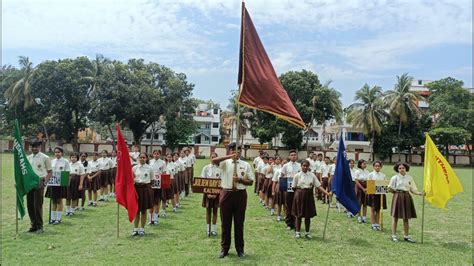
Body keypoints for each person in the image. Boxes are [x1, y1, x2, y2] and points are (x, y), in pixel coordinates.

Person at [212, 143, 254, 258]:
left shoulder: (245, 164)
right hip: (226, 194)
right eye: (233, 150)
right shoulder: (225, 163)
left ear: (240, 152)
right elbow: (214, 160)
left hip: (240, 195)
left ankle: (240, 249)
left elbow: (251, 181)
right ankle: (224, 248)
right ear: (229, 151)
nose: (236, 152)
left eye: (238, 150)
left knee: (239, 223)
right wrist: (229, 157)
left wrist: (240, 179)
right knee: (225, 223)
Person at [292, 160, 331, 239]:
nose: (305, 167)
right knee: (298, 215)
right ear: (301, 166)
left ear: (309, 166)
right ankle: (298, 232)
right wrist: (298, 195)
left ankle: (307, 232)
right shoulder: (297, 175)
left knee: (308, 215)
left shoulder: (312, 175)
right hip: (299, 195)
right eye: (304, 166)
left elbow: (318, 186)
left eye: (307, 166)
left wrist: (327, 193)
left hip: (309, 195)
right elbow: (293, 187)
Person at [388, 162, 423, 243]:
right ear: (397, 169)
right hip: (397, 197)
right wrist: (395, 192)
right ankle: (393, 235)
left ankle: (406, 236)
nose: (401, 169)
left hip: (407, 197)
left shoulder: (409, 178)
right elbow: (389, 188)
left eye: (403, 168)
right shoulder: (394, 178)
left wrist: (420, 193)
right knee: (395, 217)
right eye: (399, 168)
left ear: (406, 168)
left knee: (406, 217)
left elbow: (412, 189)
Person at [26, 139, 52, 234]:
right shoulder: (28, 158)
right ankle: (33, 225)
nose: (34, 148)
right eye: (32, 147)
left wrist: (45, 182)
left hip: (39, 181)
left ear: (39, 147)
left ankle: (40, 226)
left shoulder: (45, 157)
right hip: (30, 183)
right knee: (30, 204)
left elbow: (50, 172)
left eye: (36, 147)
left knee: (37, 205)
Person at [45, 146, 70, 225]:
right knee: (53, 201)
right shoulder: (52, 161)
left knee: (59, 201)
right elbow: (48, 172)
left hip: (60, 184)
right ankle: (52, 218)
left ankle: (58, 219)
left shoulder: (65, 161)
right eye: (55, 152)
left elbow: (67, 173)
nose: (57, 154)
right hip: (52, 184)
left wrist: (65, 183)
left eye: (58, 152)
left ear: (62, 153)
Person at [131, 152, 154, 236]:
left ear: (146, 159)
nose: (142, 159)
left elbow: (152, 180)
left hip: (145, 189)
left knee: (143, 210)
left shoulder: (150, 168)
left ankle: (142, 229)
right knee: (136, 210)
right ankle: (135, 229)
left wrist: (146, 187)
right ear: (138, 158)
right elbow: (131, 179)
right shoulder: (134, 168)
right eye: (141, 157)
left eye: (144, 157)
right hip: (136, 189)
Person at [201, 152, 221, 236]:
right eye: (212, 157)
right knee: (208, 210)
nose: (213, 159)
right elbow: (202, 181)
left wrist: (216, 193)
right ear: (209, 158)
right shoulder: (206, 168)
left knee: (215, 211)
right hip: (207, 191)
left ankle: (214, 229)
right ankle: (208, 228)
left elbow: (221, 181)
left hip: (217, 192)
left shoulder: (220, 169)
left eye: (215, 157)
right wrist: (207, 192)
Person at [280, 150, 301, 231]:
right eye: (292, 155)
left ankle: (296, 223)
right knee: (289, 205)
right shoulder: (285, 165)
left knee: (297, 205)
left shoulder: (299, 165)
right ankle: (289, 224)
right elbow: (282, 175)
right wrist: (283, 188)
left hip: (297, 185)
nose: (293, 156)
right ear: (289, 156)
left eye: (295, 155)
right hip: (289, 183)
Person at [368, 161, 387, 231]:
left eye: (378, 166)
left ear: (381, 167)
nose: (377, 167)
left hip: (380, 195)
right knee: (373, 209)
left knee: (378, 210)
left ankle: (377, 224)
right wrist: (376, 187)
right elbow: (370, 185)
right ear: (373, 167)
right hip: (373, 194)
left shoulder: (383, 175)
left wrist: (381, 189)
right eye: (376, 166)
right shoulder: (370, 175)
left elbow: (384, 185)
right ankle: (373, 224)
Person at [149, 150, 166, 225]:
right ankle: (150, 218)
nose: (156, 155)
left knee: (157, 200)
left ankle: (155, 218)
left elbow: (164, 173)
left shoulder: (162, 162)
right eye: (155, 153)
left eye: (158, 154)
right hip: (151, 182)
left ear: (160, 155)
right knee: (151, 201)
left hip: (159, 183)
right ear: (153, 154)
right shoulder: (150, 162)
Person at [161, 153, 176, 217]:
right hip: (163, 183)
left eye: (170, 157)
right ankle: (163, 210)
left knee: (171, 195)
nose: (169, 158)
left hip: (169, 182)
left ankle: (174, 207)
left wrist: (170, 182)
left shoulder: (172, 166)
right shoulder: (163, 166)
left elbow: (173, 175)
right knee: (163, 197)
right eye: (168, 157)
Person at [355, 159, 370, 223]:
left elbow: (369, 181)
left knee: (365, 203)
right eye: (364, 164)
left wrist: (367, 188)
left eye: (365, 164)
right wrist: (362, 189)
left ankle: (364, 217)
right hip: (359, 188)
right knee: (359, 203)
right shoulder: (357, 171)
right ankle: (359, 216)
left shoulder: (368, 172)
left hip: (366, 188)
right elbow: (356, 181)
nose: (365, 165)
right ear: (360, 164)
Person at [271, 156, 284, 221]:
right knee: (279, 202)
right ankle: (279, 215)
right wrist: (273, 190)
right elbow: (274, 181)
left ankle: (285, 215)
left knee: (286, 203)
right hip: (280, 185)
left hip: (288, 186)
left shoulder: (289, 172)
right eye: (283, 163)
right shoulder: (278, 171)